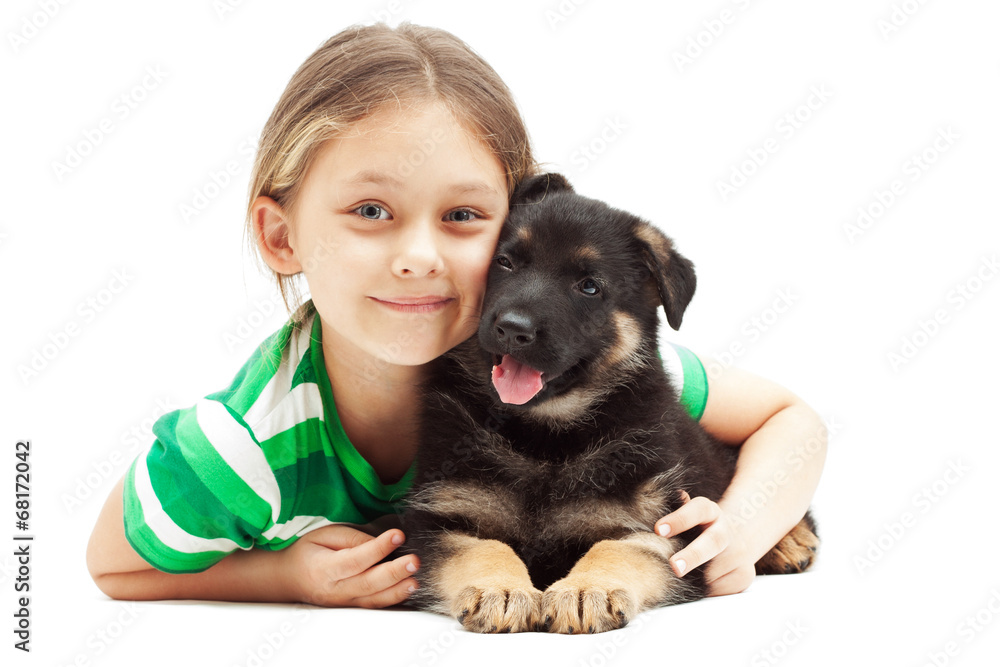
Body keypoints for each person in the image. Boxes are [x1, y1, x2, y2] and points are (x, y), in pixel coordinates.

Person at [86, 21, 826, 610]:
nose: (419, 256)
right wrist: (284, 576)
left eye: (464, 214)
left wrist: (747, 524)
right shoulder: (242, 448)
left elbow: (792, 419)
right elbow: (112, 566)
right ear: (283, 237)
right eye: (371, 209)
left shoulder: (566, 368)